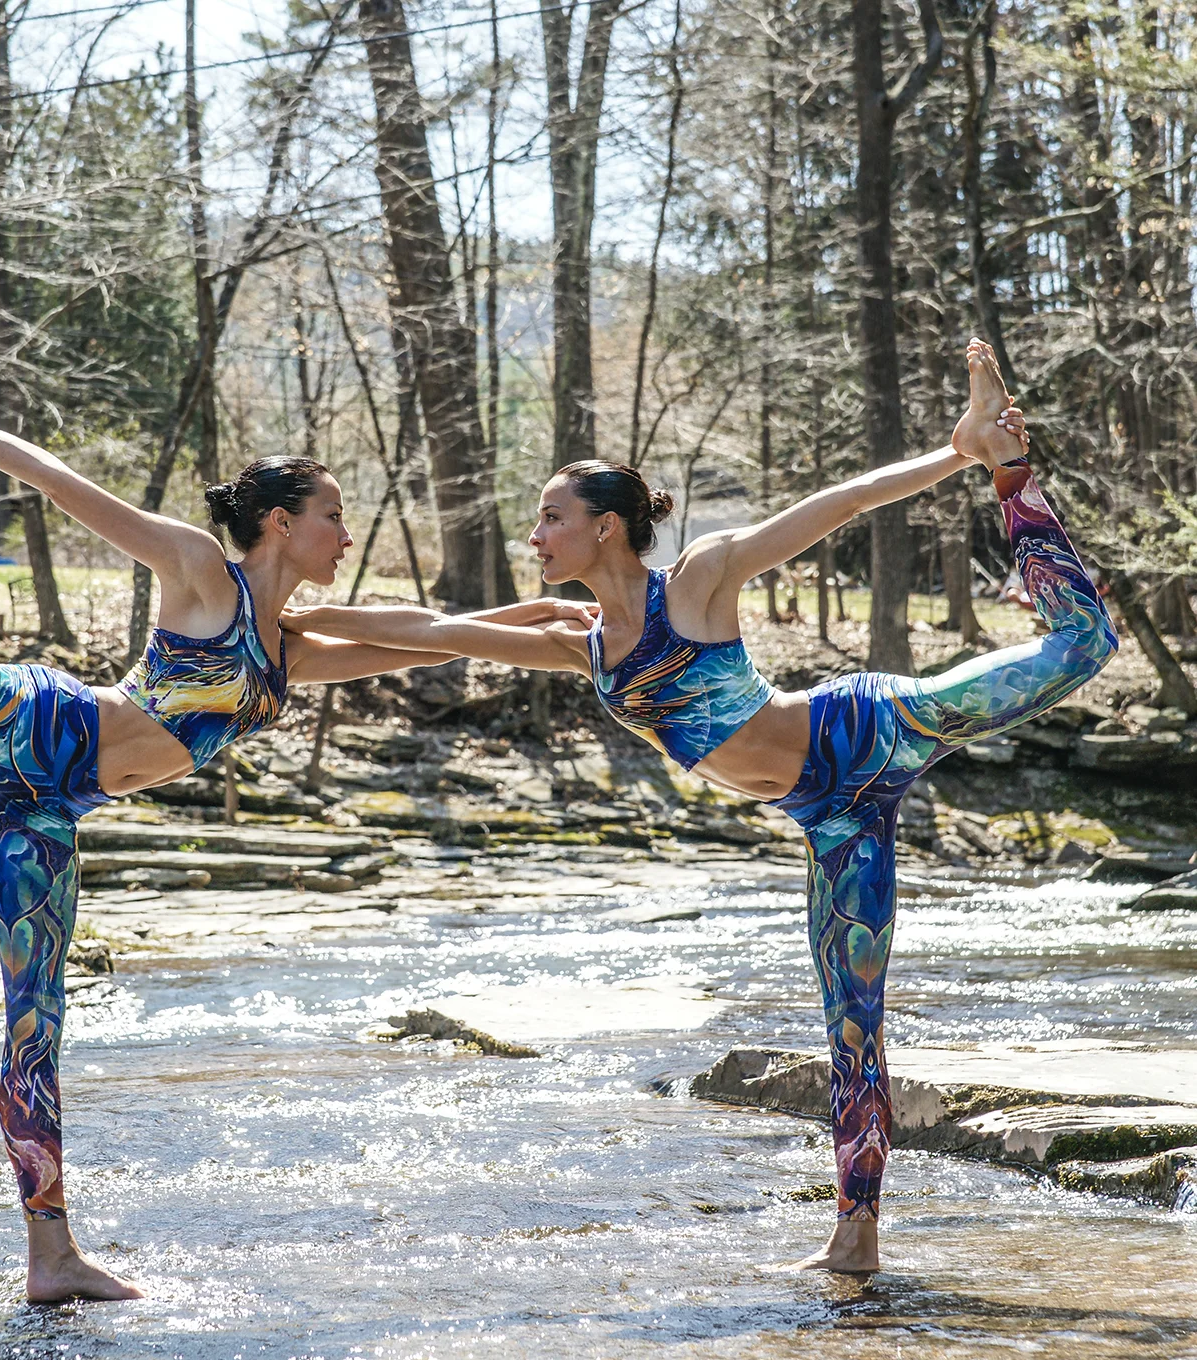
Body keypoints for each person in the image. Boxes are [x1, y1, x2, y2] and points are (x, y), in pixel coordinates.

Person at [0, 281, 588, 1302]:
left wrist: (571, 628)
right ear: (281, 522)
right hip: (26, 722)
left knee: (35, 1028)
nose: (346, 534)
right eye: (334, 516)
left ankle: (51, 1259)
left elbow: (431, 634)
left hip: (46, 806)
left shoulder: (287, 651)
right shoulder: (196, 570)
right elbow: (59, 482)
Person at [281, 341, 1118, 1274]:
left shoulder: (699, 579)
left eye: (552, 517)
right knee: (853, 1021)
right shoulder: (582, 645)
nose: (536, 535)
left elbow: (842, 502)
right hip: (828, 814)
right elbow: (433, 631)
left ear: (606, 527)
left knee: (1084, 645)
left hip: (870, 729)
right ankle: (857, 1238)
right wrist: (287, 619)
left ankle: (1010, 468)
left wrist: (960, 455)